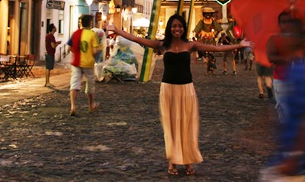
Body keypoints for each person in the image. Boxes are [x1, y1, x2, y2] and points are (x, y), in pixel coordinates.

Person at [107, 15, 251, 176]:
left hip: (186, 89)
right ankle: (173, 161)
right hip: (168, 90)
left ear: (184, 28)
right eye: (174, 26)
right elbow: (138, 39)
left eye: (180, 26)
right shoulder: (161, 45)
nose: (177, 29)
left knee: (188, 126)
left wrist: (238, 45)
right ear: (170, 28)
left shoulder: (191, 45)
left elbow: (216, 48)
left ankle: (188, 160)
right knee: (171, 127)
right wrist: (118, 31)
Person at [262, 15, 305, 179]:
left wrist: (295, 156)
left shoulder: (299, 71)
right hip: (281, 80)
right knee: (283, 111)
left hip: (301, 161)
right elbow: (271, 57)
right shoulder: (274, 40)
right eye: (283, 23)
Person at [69, 14, 100, 116]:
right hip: (88, 63)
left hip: (76, 63)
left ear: (80, 22)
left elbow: (70, 48)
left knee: (74, 84)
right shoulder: (92, 34)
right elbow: (95, 51)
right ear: (90, 23)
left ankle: (73, 106)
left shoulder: (75, 33)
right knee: (90, 84)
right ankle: (91, 104)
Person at [44, 23, 61, 87]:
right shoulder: (51, 36)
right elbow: (53, 46)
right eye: (54, 27)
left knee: (47, 68)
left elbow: (46, 44)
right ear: (52, 29)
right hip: (50, 53)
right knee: (48, 68)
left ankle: (47, 82)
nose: (56, 28)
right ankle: (47, 82)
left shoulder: (47, 36)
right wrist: (57, 43)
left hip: (47, 52)